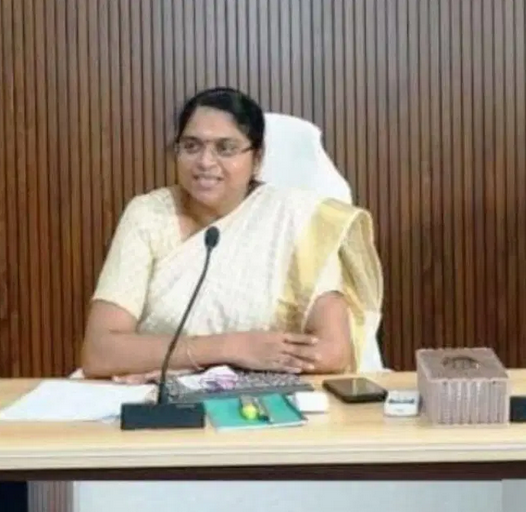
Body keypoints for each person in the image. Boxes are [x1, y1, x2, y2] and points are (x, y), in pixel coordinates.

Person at [80, 87, 383, 383]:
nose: (205, 162)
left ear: (257, 159)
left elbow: (332, 351)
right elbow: (100, 352)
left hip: (261, 401)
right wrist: (231, 348)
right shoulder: (148, 215)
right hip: (156, 399)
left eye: (225, 148)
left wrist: (218, 375)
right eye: (191, 146)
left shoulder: (293, 219)